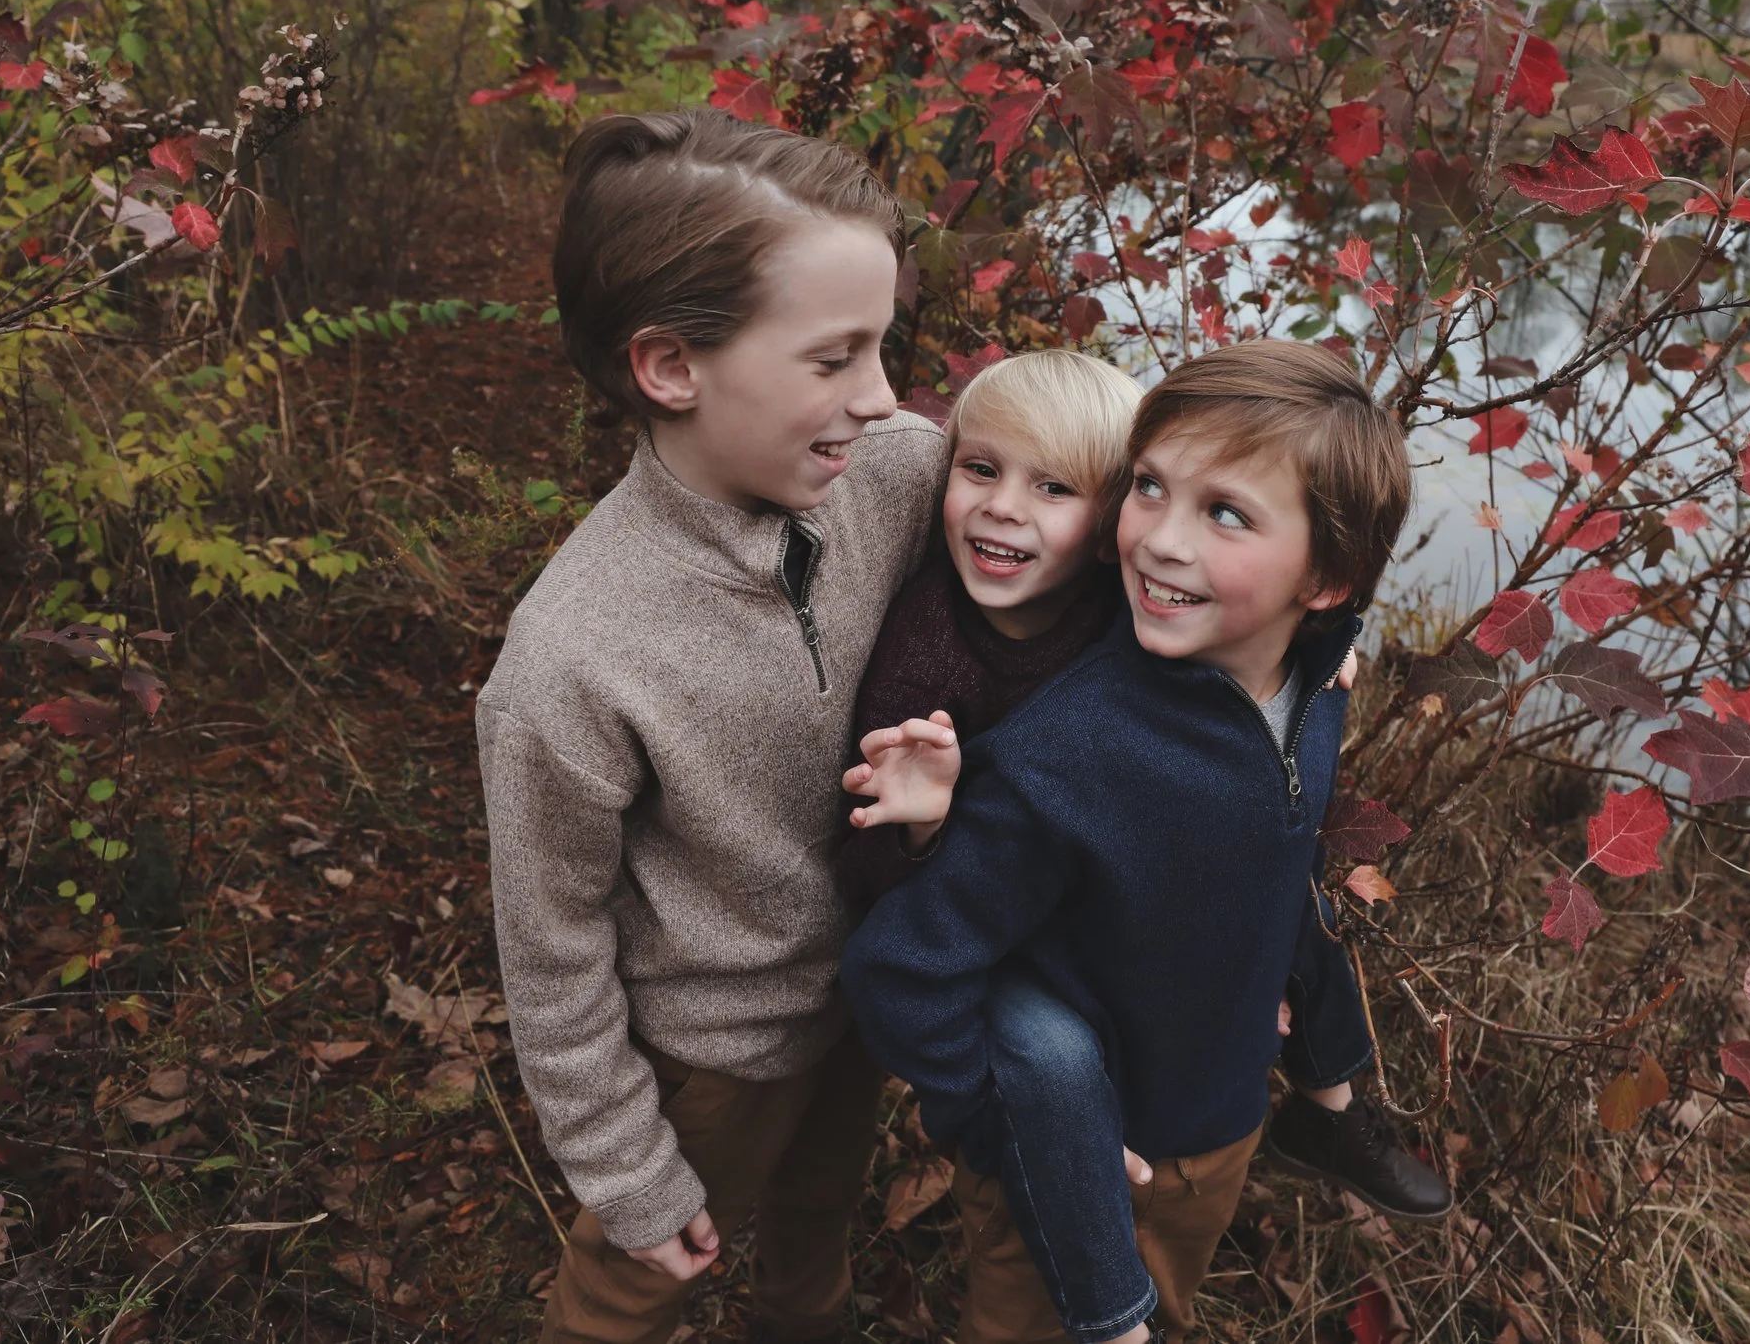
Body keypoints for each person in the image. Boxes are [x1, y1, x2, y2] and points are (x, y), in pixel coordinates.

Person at [842, 339, 1430, 1344]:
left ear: (1326, 578)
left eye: (1224, 512)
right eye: (1148, 488)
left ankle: (1327, 1106)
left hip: (1223, 1113)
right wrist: (1006, 1132)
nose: (1157, 539)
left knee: (1166, 1295)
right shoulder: (1063, 760)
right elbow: (900, 969)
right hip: (1090, 1139)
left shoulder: (1308, 685)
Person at [478, 110, 947, 1344]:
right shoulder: (574, 653)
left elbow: (1063, 531)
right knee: (641, 1279)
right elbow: (551, 938)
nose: (884, 395)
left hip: (867, 991)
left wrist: (1269, 640)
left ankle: (808, 1317)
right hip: (709, 1054)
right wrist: (624, 1164)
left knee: (820, 1207)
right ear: (671, 367)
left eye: (884, 345)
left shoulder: (894, 473)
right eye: (834, 356)